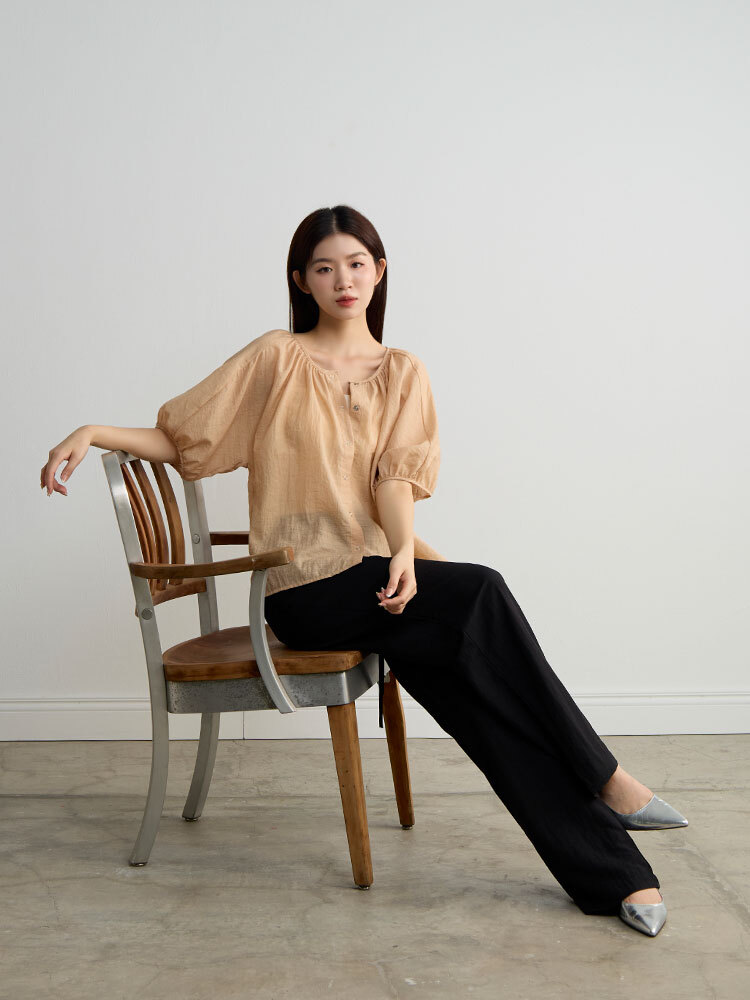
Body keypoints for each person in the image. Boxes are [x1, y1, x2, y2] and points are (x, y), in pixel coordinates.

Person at [40, 204, 688, 937]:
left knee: (475, 694)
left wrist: (406, 552)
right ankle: (609, 779)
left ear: (379, 272)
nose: (342, 279)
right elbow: (184, 437)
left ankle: (614, 877)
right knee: (482, 588)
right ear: (302, 280)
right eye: (324, 268)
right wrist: (94, 429)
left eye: (355, 264)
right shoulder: (275, 359)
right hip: (301, 590)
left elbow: (393, 482)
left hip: (376, 580)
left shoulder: (403, 372)